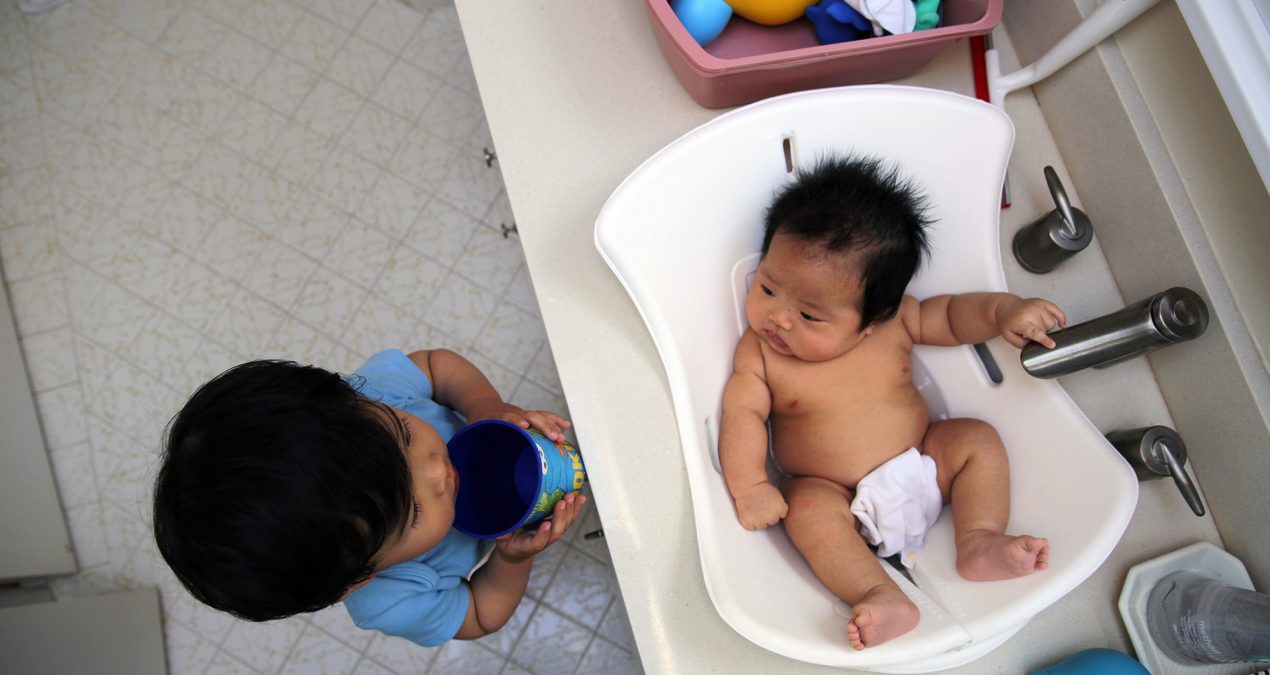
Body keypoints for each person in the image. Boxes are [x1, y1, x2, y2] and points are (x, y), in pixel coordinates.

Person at [720, 156, 1065, 650]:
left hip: (924, 462)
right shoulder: (760, 355)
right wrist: (751, 485)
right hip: (834, 492)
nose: (778, 318)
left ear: (871, 317)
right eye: (768, 286)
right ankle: (879, 593)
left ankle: (979, 539)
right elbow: (743, 415)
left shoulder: (896, 321)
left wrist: (1003, 311)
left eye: (810, 315)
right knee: (805, 506)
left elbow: (950, 317)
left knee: (974, 438)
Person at [153, 347, 583, 647]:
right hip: (522, 517)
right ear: (358, 578)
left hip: (521, 444)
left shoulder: (367, 397)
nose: (436, 470)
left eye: (404, 434)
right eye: (412, 511)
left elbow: (435, 366)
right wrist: (513, 560)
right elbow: (480, 615)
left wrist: (483, 406)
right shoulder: (391, 601)